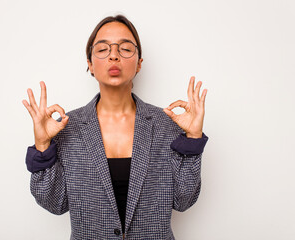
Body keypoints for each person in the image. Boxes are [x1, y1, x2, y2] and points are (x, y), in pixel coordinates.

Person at [22, 15, 208, 240]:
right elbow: (55, 203)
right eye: (102, 49)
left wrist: (193, 137)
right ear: (89, 63)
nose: (113, 55)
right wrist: (43, 145)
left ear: (139, 62)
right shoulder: (67, 128)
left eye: (125, 48)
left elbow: (184, 200)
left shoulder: (166, 124)